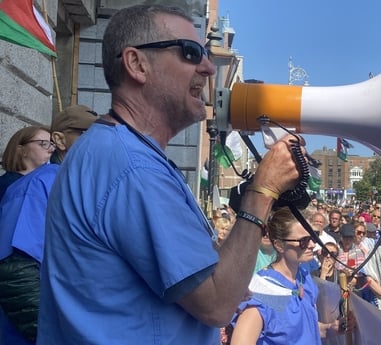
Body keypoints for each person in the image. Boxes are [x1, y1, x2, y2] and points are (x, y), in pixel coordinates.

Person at [36, 5, 304, 344]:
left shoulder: (117, 152)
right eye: (191, 53)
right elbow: (218, 303)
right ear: (137, 64)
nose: (207, 68)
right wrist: (262, 191)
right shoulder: (133, 168)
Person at [0, 106, 96, 344]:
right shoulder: (40, 185)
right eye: (86, 134)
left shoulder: (84, 184)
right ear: (60, 140)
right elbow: (16, 274)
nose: (97, 143)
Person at [231, 207, 342, 344]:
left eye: (313, 237)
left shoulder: (304, 278)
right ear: (279, 245)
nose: (312, 245)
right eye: (303, 241)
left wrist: (330, 328)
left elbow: (303, 331)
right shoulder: (264, 289)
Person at [0, 126, 54, 201]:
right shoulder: (5, 184)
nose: (52, 149)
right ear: (22, 150)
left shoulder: (47, 182)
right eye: (43, 144)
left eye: (52, 145)